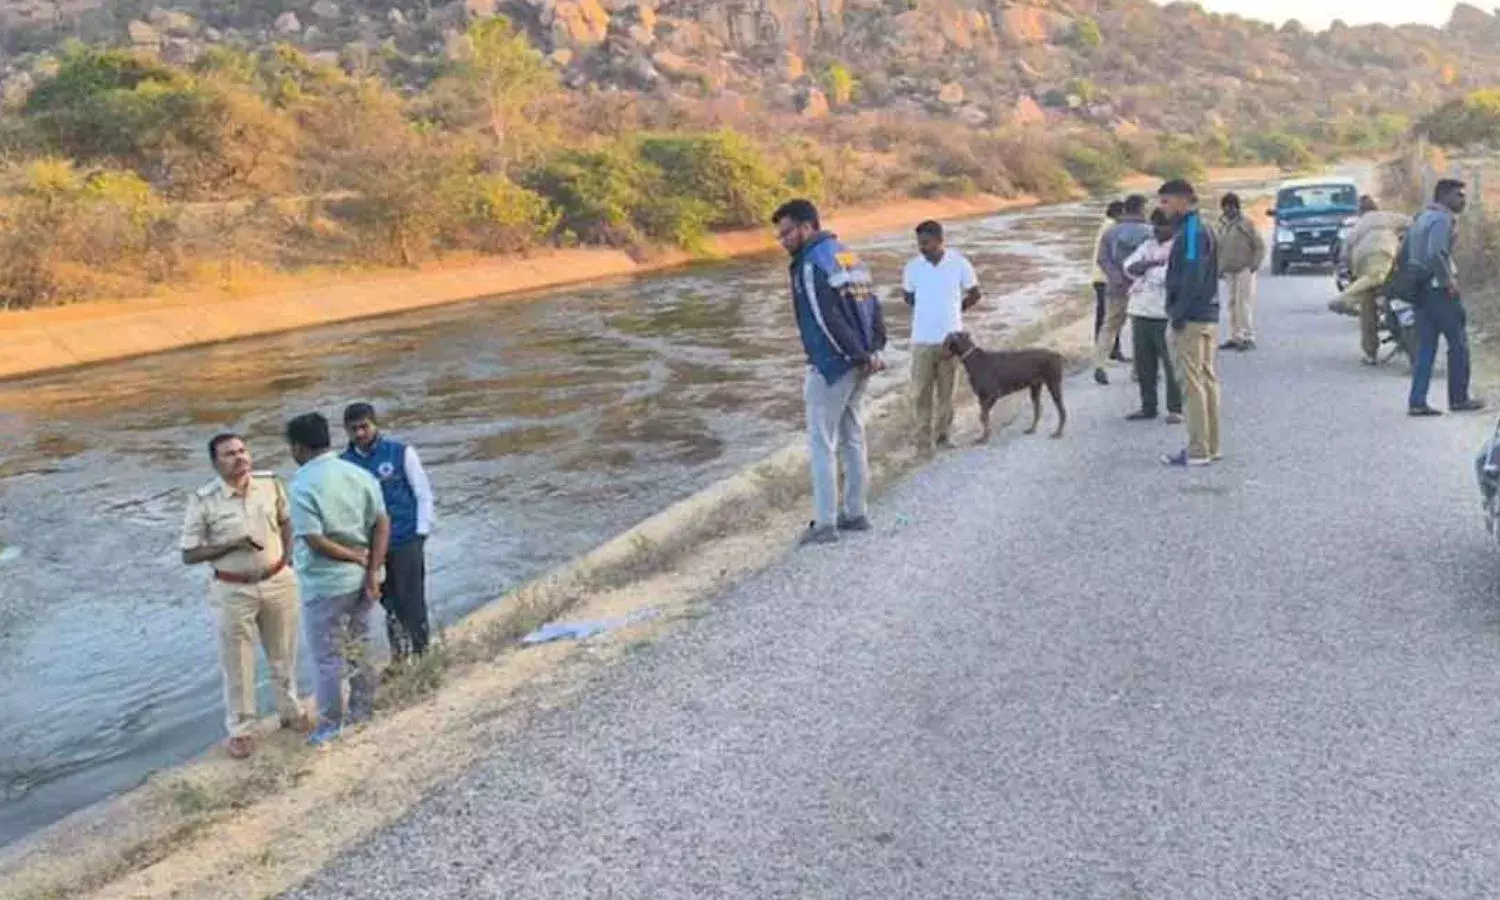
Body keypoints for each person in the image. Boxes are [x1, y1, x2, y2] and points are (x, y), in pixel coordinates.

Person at [180, 433, 306, 759]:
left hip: (278, 579)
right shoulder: (203, 500)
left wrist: (287, 558)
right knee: (238, 662)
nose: (239, 458)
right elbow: (189, 554)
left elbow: (286, 521)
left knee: (284, 652)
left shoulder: (270, 484)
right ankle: (241, 730)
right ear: (214, 462)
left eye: (241, 451)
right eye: (228, 454)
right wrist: (231, 545)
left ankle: (291, 711)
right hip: (233, 589)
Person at [771, 199, 888, 547]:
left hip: (832, 366)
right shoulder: (848, 254)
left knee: (822, 443)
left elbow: (826, 319)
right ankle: (856, 512)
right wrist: (872, 351)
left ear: (807, 227)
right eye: (780, 236)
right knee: (853, 437)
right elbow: (873, 304)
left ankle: (824, 524)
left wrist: (856, 354)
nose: (784, 241)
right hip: (860, 363)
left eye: (787, 233)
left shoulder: (810, 264)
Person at [285, 412, 391, 746]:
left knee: (327, 657)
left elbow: (314, 539)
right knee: (359, 644)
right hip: (362, 579)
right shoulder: (357, 473)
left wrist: (354, 556)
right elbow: (382, 523)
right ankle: (363, 710)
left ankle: (330, 724)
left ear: (298, 447)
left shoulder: (302, 483)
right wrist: (372, 568)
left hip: (325, 583)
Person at [341, 403, 435, 663]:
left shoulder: (401, 453)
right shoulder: (343, 465)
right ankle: (400, 656)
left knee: (412, 599)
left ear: (375, 424)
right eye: (353, 429)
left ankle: (423, 653)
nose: (360, 433)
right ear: (346, 431)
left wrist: (421, 531)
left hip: (405, 538)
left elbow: (423, 492)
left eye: (364, 426)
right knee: (388, 601)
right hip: (369, 547)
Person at [1406, 179, 1485, 417]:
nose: (1463, 200)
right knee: (1458, 345)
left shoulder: (1422, 217)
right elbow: (1435, 253)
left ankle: (1417, 401)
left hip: (1421, 290)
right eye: (1458, 195)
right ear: (1445, 196)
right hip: (1439, 291)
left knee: (1426, 348)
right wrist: (1447, 281)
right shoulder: (1442, 219)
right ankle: (1459, 398)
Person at [1158, 179, 1222, 467]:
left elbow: (1193, 274)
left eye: (1166, 201)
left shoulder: (1193, 232)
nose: (1163, 208)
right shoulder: (1202, 228)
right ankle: (1211, 446)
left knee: (1192, 384)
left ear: (1183, 200)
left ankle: (1198, 450)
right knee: (1206, 382)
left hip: (1192, 317)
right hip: (1206, 315)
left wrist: (1178, 312)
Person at [902, 220, 980, 454]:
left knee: (947, 393)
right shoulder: (913, 267)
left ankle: (943, 438)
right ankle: (922, 444)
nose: (922, 248)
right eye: (919, 244)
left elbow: (975, 294)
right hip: (921, 341)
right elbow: (908, 296)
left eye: (926, 243)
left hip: (951, 341)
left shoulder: (959, 263)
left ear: (939, 241)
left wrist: (955, 311)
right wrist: (928, 310)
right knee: (919, 394)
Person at [1122, 209, 1183, 424]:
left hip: (1164, 314)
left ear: (1173, 227)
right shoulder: (1147, 245)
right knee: (1144, 364)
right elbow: (1128, 266)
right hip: (1140, 312)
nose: (1157, 229)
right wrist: (1151, 264)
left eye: (1162, 225)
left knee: (1171, 364)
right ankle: (1148, 407)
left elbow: (1167, 277)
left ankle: (1176, 409)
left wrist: (1145, 268)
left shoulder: (1178, 247)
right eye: (1154, 225)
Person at [1333, 195, 1409, 365]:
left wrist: (1346, 271)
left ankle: (1370, 352)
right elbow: (1414, 224)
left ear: (1360, 212)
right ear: (1376, 208)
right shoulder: (1389, 217)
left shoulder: (1358, 226)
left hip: (1362, 261)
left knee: (1367, 311)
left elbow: (1345, 252)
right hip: (1388, 255)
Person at [1093, 194, 1152, 385]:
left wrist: (1117, 278)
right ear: (1142, 208)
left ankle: (1099, 364)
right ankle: (1138, 371)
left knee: (1109, 325)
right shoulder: (1149, 231)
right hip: (1142, 287)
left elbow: (1102, 259)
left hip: (1116, 286)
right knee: (1139, 328)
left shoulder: (1111, 231)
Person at [1214, 192, 1266, 351]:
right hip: (1228, 271)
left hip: (1244, 269)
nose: (1228, 210)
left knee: (1243, 304)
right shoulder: (1222, 224)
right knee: (1231, 304)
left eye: (1231, 207)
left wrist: (1253, 266)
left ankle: (1248, 337)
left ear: (1237, 207)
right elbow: (1218, 247)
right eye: (1225, 207)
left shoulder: (1246, 224)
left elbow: (1259, 246)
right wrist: (1218, 268)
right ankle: (1235, 337)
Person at [1091, 200, 1126, 362]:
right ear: (1119, 213)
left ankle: (1108, 350)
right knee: (1109, 317)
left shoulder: (1107, 225)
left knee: (1107, 316)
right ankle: (1106, 352)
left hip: (1101, 277)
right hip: (1106, 278)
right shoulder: (1112, 228)